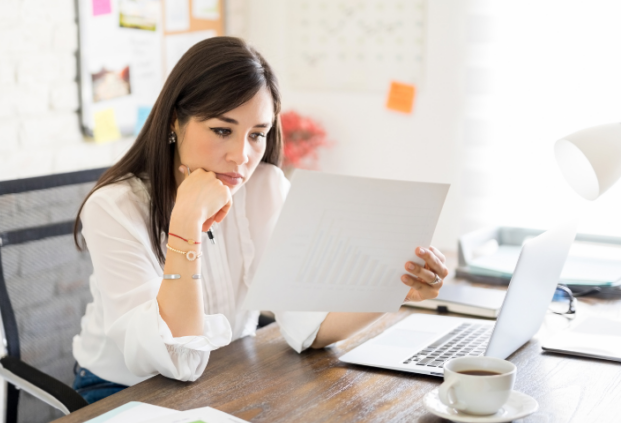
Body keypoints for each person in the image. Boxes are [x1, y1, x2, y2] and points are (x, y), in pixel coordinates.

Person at [71, 37, 448, 404]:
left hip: (224, 380)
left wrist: (394, 289)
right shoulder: (114, 208)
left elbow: (308, 327)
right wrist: (186, 223)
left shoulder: (264, 187)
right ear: (174, 122)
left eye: (257, 135)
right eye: (222, 130)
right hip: (122, 393)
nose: (242, 156)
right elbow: (176, 360)